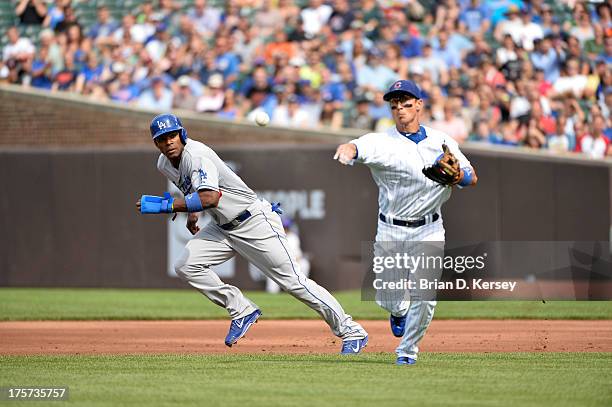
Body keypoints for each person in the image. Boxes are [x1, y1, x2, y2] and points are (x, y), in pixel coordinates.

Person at [136, 113, 368, 354]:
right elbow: (195, 191)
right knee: (186, 265)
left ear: (182, 134)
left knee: (295, 283)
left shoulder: (197, 154)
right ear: (156, 144)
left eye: (172, 135)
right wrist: (193, 213)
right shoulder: (164, 164)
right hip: (222, 227)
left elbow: (210, 197)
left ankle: (351, 331)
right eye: (162, 139)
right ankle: (242, 309)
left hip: (253, 221)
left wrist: (170, 205)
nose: (169, 142)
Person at [333, 80, 477, 365]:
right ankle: (397, 311)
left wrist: (459, 176)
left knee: (426, 296)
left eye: (406, 102)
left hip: (430, 228)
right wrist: (347, 151)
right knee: (389, 297)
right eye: (394, 103)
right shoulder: (381, 141)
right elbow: (353, 146)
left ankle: (407, 352)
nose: (400, 108)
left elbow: (472, 176)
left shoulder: (441, 141)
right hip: (391, 229)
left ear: (419, 105)